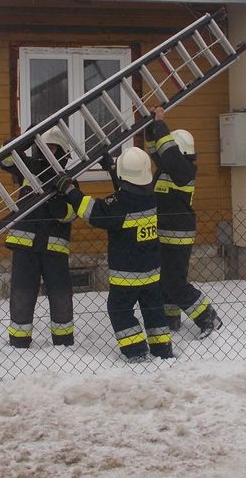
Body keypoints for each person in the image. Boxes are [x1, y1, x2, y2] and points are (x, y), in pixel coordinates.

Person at [56, 146, 173, 362]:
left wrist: (70, 191)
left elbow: (94, 212)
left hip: (127, 273)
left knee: (119, 309)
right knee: (154, 309)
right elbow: (128, 188)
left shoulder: (119, 205)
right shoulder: (151, 196)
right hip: (152, 271)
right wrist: (111, 168)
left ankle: (136, 350)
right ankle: (162, 349)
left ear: (123, 175)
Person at [145, 107, 222, 338]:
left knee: (174, 282)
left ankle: (208, 317)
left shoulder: (183, 169)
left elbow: (167, 152)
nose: (163, 151)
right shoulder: (168, 167)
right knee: (164, 280)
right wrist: (151, 128)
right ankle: (171, 319)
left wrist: (160, 125)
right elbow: (155, 150)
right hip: (165, 233)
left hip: (178, 235)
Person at [0, 127, 76, 349]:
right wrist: (24, 139)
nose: (47, 152)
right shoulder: (28, 168)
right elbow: (5, 158)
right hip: (25, 247)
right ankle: (19, 341)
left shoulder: (68, 180)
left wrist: (57, 200)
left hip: (54, 250)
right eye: (43, 146)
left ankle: (63, 342)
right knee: (22, 293)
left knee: (61, 295)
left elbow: (70, 214)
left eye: (52, 147)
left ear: (63, 152)